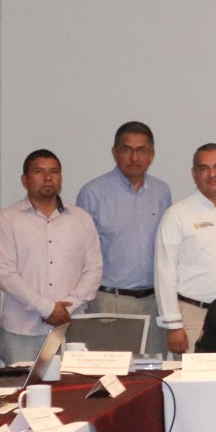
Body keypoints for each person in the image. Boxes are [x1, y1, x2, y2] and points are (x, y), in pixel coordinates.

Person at [0, 149, 103, 365]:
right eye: (39, 172)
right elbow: (6, 275)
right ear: (24, 180)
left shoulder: (81, 219)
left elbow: (93, 270)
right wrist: (47, 308)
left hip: (71, 326)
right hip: (22, 331)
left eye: (54, 171)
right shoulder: (7, 219)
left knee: (73, 385)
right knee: (22, 386)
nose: (48, 177)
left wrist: (67, 307)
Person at [154, 144, 216, 355]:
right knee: (193, 376)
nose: (212, 174)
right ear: (194, 174)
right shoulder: (177, 215)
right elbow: (164, 271)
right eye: (204, 168)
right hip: (193, 316)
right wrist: (173, 325)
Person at [75, 120, 171, 319]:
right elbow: (79, 253)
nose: (134, 157)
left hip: (154, 301)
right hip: (109, 300)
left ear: (151, 154)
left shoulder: (161, 192)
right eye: (127, 150)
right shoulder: (93, 193)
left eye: (142, 150)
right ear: (115, 152)